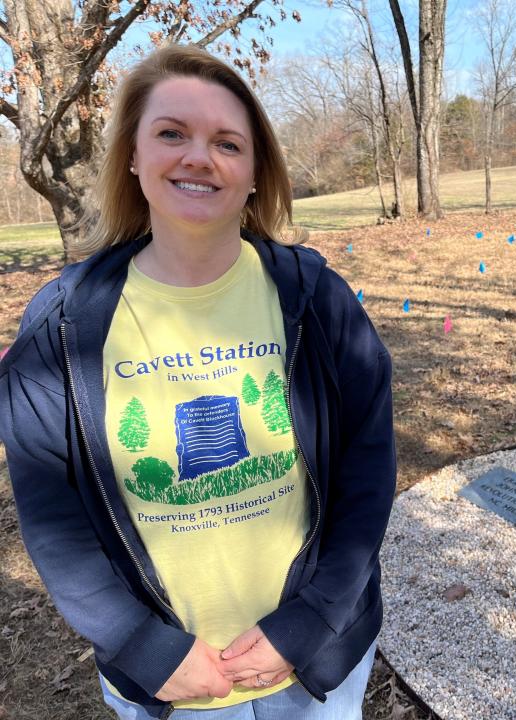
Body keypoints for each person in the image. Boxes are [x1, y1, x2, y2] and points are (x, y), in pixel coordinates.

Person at [0, 44, 396, 719]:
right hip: (170, 684)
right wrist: (142, 646)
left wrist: (309, 623)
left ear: (253, 172)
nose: (198, 156)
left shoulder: (314, 298)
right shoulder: (62, 326)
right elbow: (52, 514)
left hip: (313, 667)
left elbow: (367, 468)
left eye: (227, 142)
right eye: (171, 134)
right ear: (132, 154)